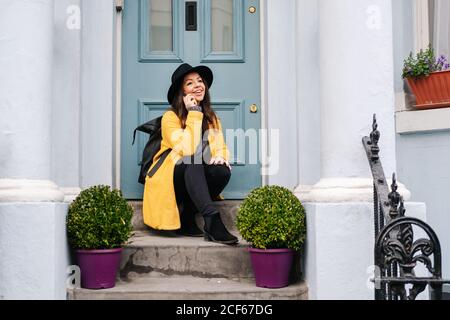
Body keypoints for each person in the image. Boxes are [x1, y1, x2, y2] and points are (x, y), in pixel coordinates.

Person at [142, 63, 238, 245]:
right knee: (192, 158)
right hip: (172, 177)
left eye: (200, 81)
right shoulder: (170, 117)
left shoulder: (212, 118)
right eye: (190, 83)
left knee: (221, 171)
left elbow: (220, 147)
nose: (198, 86)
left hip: (195, 177)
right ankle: (212, 221)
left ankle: (188, 215)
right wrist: (194, 112)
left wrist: (221, 157)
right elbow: (186, 149)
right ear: (182, 92)